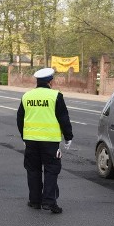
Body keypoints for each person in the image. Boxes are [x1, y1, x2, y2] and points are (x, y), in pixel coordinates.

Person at [17, 67, 73, 214]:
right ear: (50, 81)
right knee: (51, 170)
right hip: (50, 141)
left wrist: (24, 136)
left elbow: (19, 119)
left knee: (33, 170)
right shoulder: (56, 96)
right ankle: (49, 202)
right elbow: (64, 118)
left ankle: (34, 201)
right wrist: (68, 137)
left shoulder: (27, 96)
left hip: (31, 141)